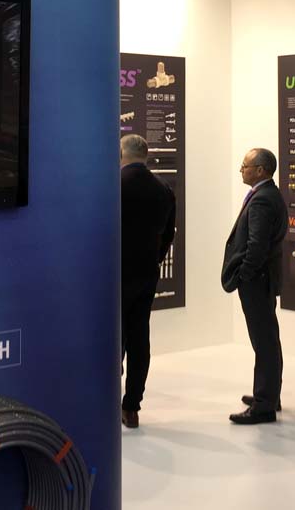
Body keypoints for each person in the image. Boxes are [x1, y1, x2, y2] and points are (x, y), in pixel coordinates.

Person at [221, 147, 287, 424]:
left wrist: (244, 274)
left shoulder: (262, 200)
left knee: (264, 341)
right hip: (262, 279)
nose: (241, 170)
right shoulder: (268, 194)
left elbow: (257, 246)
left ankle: (264, 405)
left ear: (260, 170)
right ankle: (269, 395)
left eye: (245, 166)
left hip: (257, 280)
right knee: (267, 338)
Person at [120, 134, 176, 429]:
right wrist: (154, 259)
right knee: (140, 337)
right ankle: (132, 407)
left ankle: (106, 400)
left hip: (116, 273)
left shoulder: (114, 185)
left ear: (122, 153)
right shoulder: (163, 189)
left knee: (113, 337)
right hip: (146, 273)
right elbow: (168, 234)